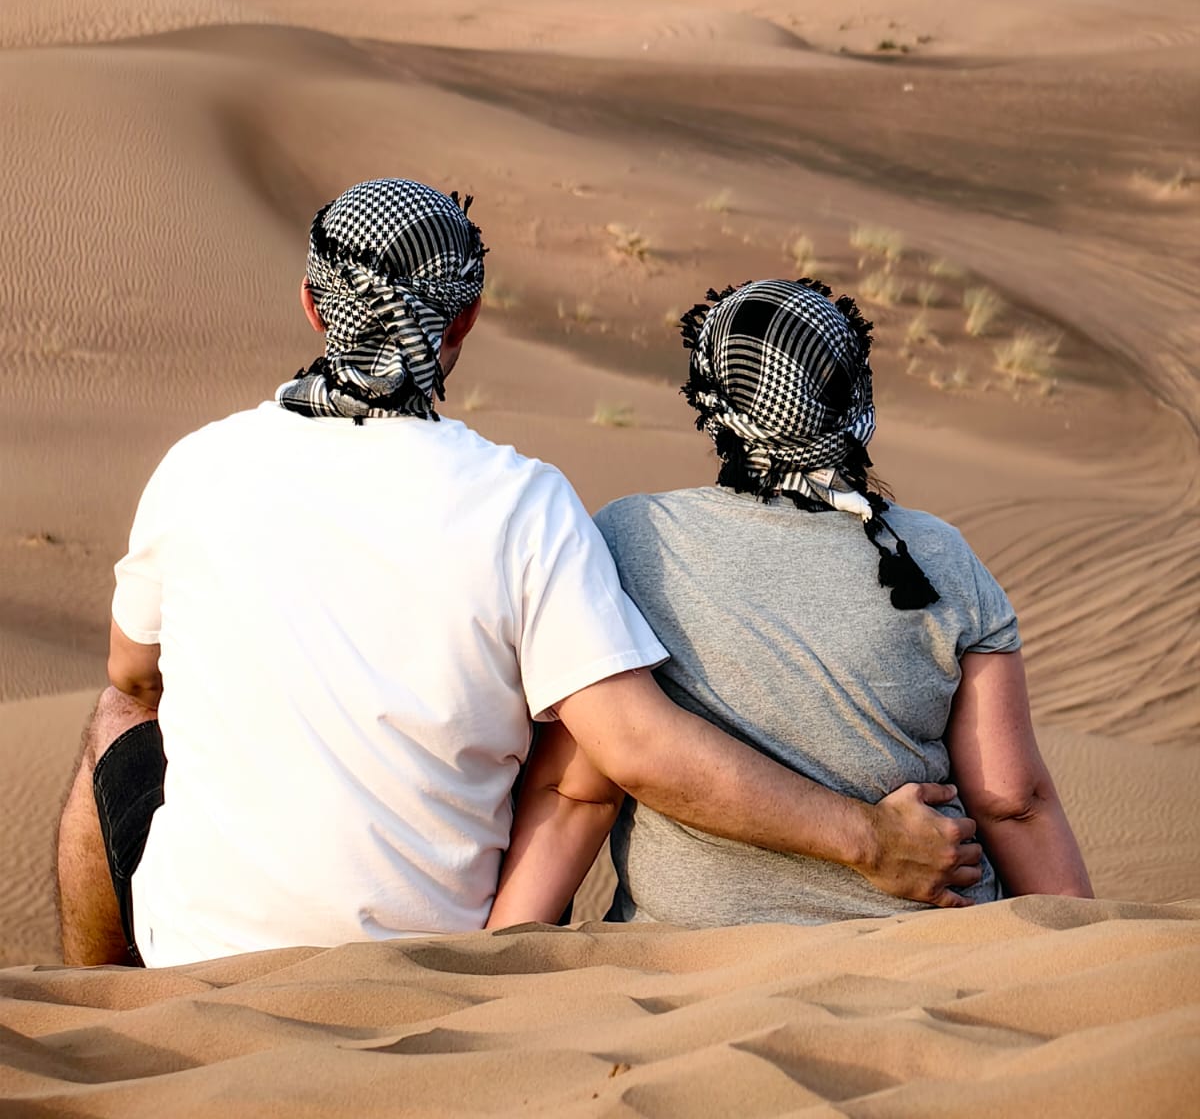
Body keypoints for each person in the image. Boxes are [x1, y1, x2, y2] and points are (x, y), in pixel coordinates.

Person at [57, 193, 983, 968]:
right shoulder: (521, 504)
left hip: (197, 949)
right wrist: (867, 841)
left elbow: (136, 677)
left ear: (310, 304)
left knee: (115, 718)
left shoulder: (198, 467)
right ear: (465, 319)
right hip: (431, 965)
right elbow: (634, 750)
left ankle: (108, 1008)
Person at [487, 278, 1091, 930]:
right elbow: (1012, 799)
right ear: (853, 393)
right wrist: (1089, 950)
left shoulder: (631, 540)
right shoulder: (939, 555)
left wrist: (501, 958)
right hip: (933, 945)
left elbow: (578, 788)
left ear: (711, 399)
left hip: (689, 966)